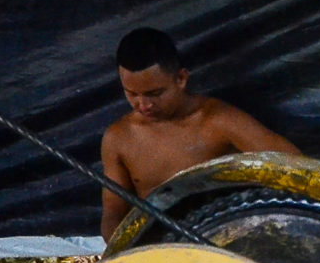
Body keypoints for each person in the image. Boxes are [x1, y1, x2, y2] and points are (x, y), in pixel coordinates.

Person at [98, 28, 300, 240]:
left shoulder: (219, 120)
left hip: (229, 238)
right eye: (131, 94)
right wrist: (122, 250)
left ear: (181, 78)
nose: (143, 104)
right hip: (163, 248)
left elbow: (297, 167)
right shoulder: (118, 138)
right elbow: (113, 213)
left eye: (155, 94)